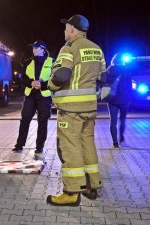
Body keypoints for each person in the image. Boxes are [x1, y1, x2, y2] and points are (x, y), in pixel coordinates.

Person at [46, 14, 106, 206]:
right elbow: (103, 77)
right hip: (90, 107)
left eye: (66, 28)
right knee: (87, 144)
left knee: (70, 148)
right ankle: (91, 186)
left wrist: (51, 86)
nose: (64, 31)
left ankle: (71, 192)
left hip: (71, 109)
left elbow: (62, 74)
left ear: (72, 29)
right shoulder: (97, 49)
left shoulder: (69, 48)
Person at [12, 41, 52, 154]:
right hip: (30, 95)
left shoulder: (52, 61)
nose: (34, 49)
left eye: (36, 48)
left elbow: (55, 78)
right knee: (25, 120)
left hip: (44, 96)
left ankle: (39, 147)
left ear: (43, 49)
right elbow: (23, 77)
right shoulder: (28, 62)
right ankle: (19, 145)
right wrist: (31, 83)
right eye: (33, 48)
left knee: (42, 121)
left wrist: (42, 84)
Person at [105, 53, 132, 148]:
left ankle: (115, 142)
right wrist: (129, 97)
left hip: (112, 99)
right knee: (123, 120)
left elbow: (103, 83)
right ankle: (121, 138)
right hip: (124, 99)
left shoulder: (108, 70)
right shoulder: (127, 71)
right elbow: (129, 86)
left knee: (113, 122)